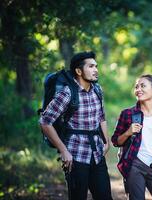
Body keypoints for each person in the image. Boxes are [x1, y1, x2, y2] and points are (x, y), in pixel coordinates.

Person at [39, 51, 112, 200]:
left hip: (97, 154)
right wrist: (63, 151)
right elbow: (45, 121)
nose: (96, 70)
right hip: (76, 156)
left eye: (96, 66)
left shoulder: (97, 90)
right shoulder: (67, 93)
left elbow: (101, 117)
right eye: (91, 66)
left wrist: (107, 141)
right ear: (79, 71)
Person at [111, 74, 152, 200]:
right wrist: (128, 132)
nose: (138, 89)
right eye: (136, 86)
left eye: (143, 86)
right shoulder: (127, 114)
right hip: (134, 164)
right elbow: (116, 141)